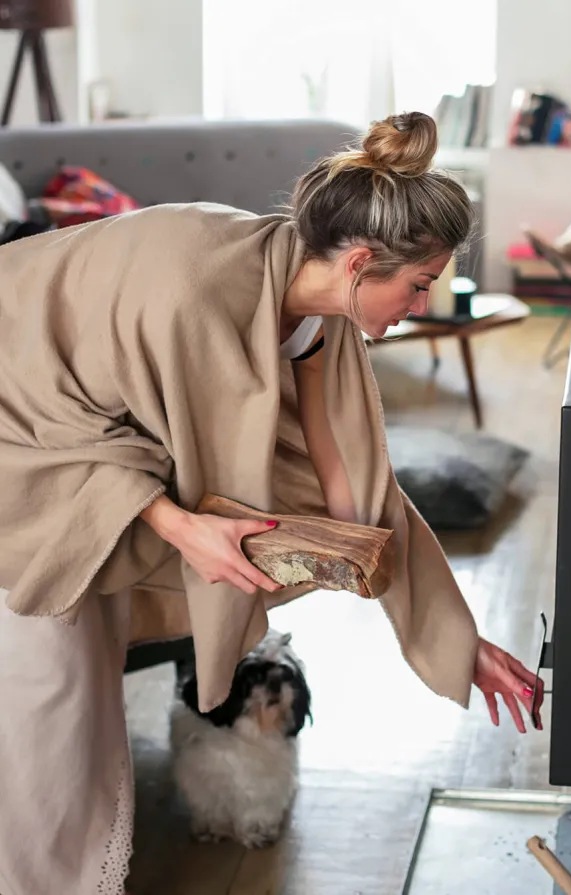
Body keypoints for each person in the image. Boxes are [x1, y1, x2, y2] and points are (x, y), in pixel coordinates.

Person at [0, 111, 543, 894]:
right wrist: (183, 526)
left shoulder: (309, 303)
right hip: (23, 440)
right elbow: (163, 471)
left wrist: (460, 639)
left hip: (86, 436)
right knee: (45, 716)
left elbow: (358, 489)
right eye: (418, 284)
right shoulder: (203, 298)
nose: (421, 304)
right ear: (360, 263)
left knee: (79, 717)